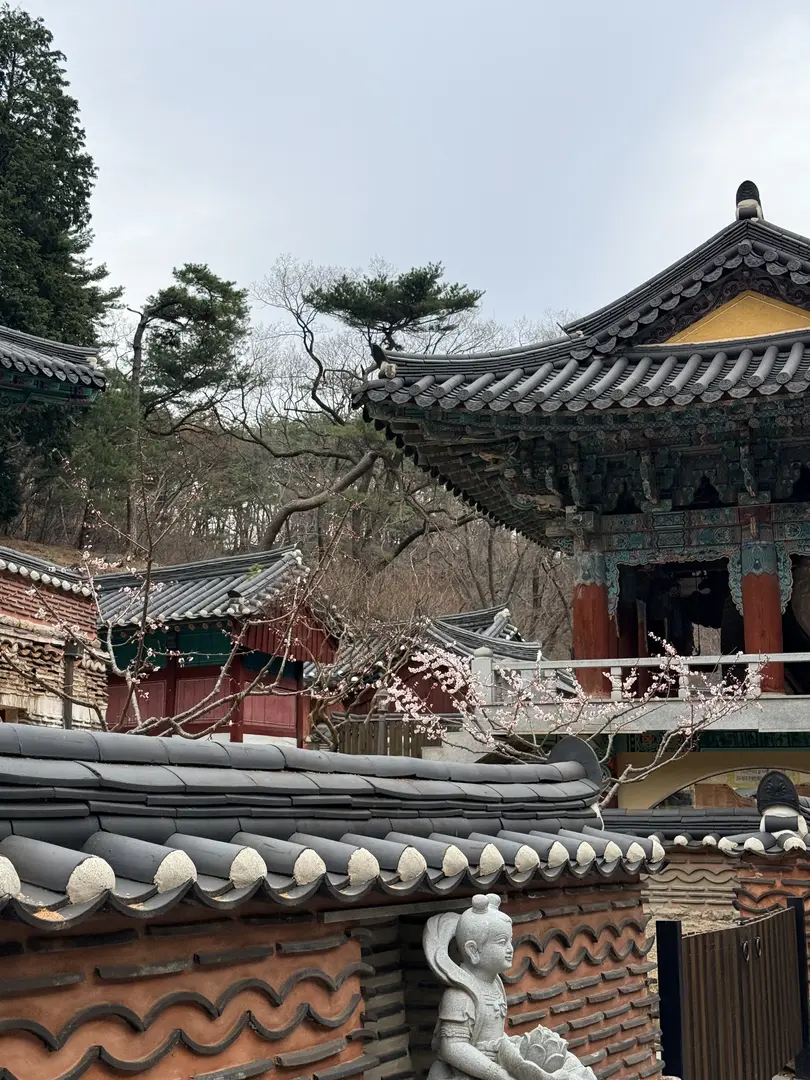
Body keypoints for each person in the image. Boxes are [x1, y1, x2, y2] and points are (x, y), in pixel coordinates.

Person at [424, 895, 596, 1080]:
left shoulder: (494, 984)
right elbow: (452, 1047)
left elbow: (494, 1034)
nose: (510, 948)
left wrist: (512, 1050)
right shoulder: (459, 995)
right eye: (501, 942)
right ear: (473, 950)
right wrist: (496, 1074)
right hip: (467, 1072)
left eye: (510, 940)